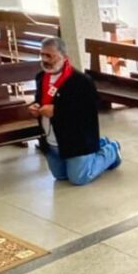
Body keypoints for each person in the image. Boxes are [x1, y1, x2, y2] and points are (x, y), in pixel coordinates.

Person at [30, 37, 121, 186]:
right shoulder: (41, 77)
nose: (44, 59)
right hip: (52, 139)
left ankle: (111, 149)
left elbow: (89, 112)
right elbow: (39, 100)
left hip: (77, 140)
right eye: (42, 55)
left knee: (79, 178)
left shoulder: (81, 81)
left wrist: (57, 111)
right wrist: (35, 107)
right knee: (60, 176)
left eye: (49, 55)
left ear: (64, 57)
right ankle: (100, 144)